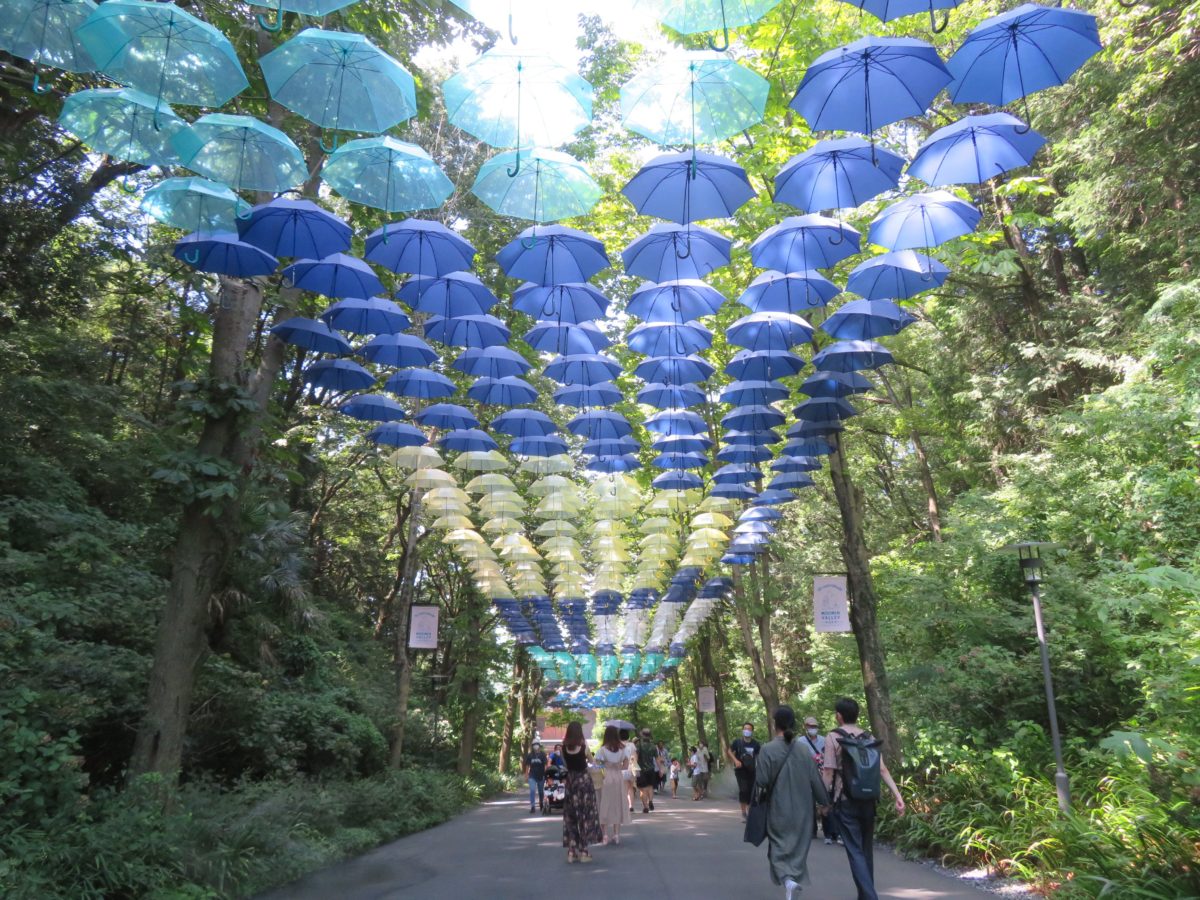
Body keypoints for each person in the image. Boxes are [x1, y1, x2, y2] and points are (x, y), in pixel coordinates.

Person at [823, 698, 905, 900]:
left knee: (855, 851)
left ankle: (870, 896)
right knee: (866, 850)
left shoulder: (833, 737)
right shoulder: (869, 737)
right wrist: (898, 795)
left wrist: (823, 800)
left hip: (845, 800)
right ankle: (865, 896)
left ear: (839, 716)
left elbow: (828, 771)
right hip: (869, 800)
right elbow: (882, 769)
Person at [755, 705, 830, 900]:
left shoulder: (767, 749)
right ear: (794, 724)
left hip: (778, 809)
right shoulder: (804, 750)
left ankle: (788, 880)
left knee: (778, 846)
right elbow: (815, 780)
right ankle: (793, 879)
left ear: (775, 724)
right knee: (798, 847)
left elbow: (761, 781)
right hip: (803, 810)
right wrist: (824, 803)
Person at [561, 721, 602, 863]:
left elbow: (566, 765)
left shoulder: (563, 748)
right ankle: (584, 852)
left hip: (571, 783)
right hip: (584, 783)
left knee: (571, 817)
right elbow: (592, 762)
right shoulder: (584, 747)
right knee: (585, 816)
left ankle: (571, 852)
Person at [802, 716, 837, 845]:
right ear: (805, 727)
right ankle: (812, 830)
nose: (813, 728)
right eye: (810, 726)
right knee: (809, 802)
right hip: (807, 775)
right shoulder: (800, 742)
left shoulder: (824, 740)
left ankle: (830, 831)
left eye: (815, 726)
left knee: (825, 801)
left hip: (823, 775)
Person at [594, 725, 630, 846]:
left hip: (606, 778)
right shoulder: (623, 749)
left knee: (605, 804)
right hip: (618, 778)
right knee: (617, 805)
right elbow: (626, 766)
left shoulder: (602, 750)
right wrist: (618, 766)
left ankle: (604, 834)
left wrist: (604, 767)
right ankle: (616, 834)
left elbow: (596, 765)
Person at [728, 721, 762, 821]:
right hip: (740, 770)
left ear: (752, 731)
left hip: (752, 770)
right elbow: (729, 751)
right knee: (743, 790)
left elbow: (759, 755)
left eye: (749, 729)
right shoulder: (737, 742)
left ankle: (749, 812)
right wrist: (735, 760)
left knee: (751, 792)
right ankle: (743, 813)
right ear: (743, 730)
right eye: (745, 728)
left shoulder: (755, 744)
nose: (747, 730)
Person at [636, 727, 658, 813]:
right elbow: (657, 759)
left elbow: (636, 757)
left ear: (642, 735)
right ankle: (651, 801)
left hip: (642, 770)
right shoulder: (653, 746)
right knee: (650, 787)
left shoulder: (639, 745)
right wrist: (660, 768)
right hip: (651, 769)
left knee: (643, 789)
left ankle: (645, 807)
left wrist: (634, 768)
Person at [524, 740, 548, 814]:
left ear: (539, 745)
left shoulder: (543, 754)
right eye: (534, 744)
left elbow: (546, 765)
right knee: (532, 790)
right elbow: (527, 765)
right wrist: (526, 775)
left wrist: (546, 774)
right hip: (532, 775)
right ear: (532, 746)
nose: (536, 745)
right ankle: (532, 806)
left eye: (537, 744)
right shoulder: (530, 755)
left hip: (541, 775)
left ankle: (541, 802)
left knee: (541, 791)